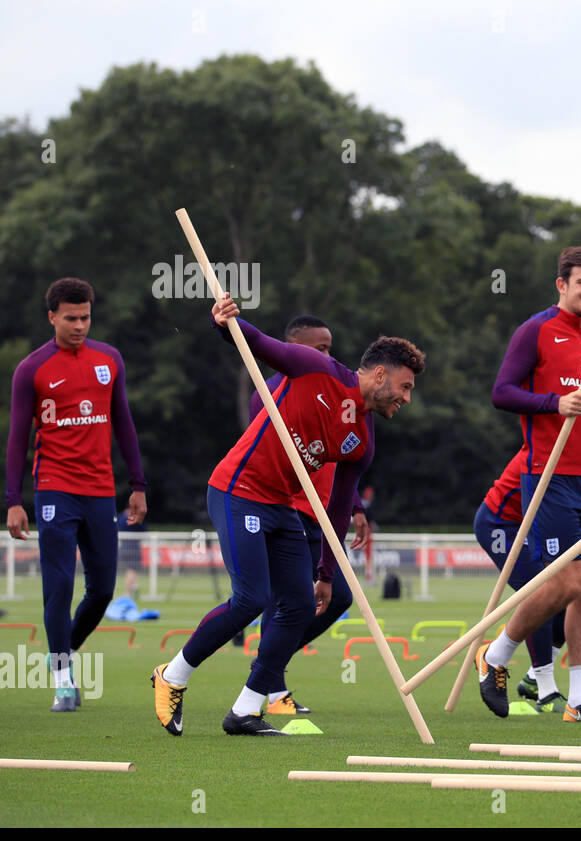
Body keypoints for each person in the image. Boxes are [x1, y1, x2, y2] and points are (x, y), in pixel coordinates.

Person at [151, 294, 423, 737]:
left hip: (281, 507)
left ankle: (245, 710)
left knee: (299, 607)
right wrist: (223, 321)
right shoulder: (315, 369)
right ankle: (173, 675)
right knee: (252, 599)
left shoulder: (363, 440)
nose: (407, 398)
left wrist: (327, 572)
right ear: (379, 374)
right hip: (237, 490)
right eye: (405, 386)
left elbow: (337, 508)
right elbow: (252, 340)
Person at [475, 246, 581, 723]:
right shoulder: (536, 330)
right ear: (562, 284)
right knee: (565, 582)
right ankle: (496, 654)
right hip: (551, 475)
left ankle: (578, 698)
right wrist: (554, 403)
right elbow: (502, 393)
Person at [6, 278, 147, 713]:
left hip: (100, 490)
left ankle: (60, 650)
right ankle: (64, 680)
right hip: (53, 488)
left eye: (85, 317)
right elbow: (16, 439)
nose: (80, 325)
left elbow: (123, 424)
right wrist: (13, 498)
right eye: (71, 318)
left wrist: (138, 485)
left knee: (103, 588)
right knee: (60, 582)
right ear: (52, 317)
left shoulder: (109, 360)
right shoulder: (31, 369)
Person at [243, 315, 372, 714]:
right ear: (293, 347)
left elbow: (338, 457)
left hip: (324, 513)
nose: (328, 356)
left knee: (339, 598)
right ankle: (271, 689)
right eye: (320, 350)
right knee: (286, 600)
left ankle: (267, 666)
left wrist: (354, 506)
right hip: (287, 509)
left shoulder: (334, 392)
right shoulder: (266, 393)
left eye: (330, 348)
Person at [473, 445, 581, 719]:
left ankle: (532, 678)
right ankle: (545, 690)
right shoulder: (551, 450)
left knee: (570, 598)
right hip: (501, 525)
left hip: (533, 527)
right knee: (544, 594)